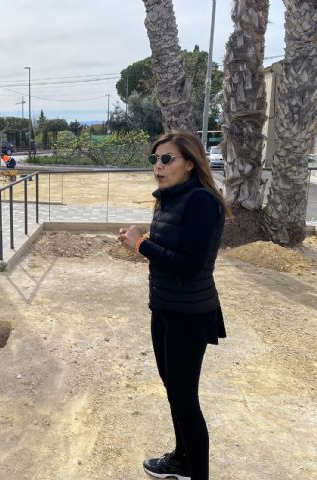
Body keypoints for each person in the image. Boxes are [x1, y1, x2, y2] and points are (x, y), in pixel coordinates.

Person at [118, 130, 229, 480]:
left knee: (185, 400)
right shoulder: (169, 198)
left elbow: (189, 264)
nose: (158, 166)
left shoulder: (201, 201)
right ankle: (181, 461)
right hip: (165, 308)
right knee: (174, 391)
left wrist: (140, 246)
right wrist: (143, 244)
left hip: (190, 314)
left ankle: (197, 473)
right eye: (155, 159)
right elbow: (170, 255)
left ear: (190, 164)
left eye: (167, 159)